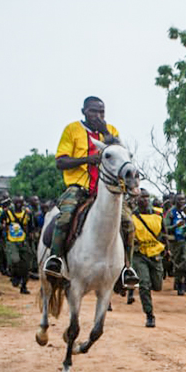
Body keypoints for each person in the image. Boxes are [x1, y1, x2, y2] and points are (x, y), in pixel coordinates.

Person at [44, 96, 138, 290]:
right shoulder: (72, 130)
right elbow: (60, 162)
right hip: (79, 187)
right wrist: (88, 160)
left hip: (107, 190)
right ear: (83, 111)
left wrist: (105, 132)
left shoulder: (111, 131)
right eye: (93, 111)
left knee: (128, 223)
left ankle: (126, 269)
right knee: (65, 217)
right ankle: (56, 259)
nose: (98, 115)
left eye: (102, 112)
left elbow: (121, 156)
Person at [131, 190, 166, 328]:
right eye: (142, 197)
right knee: (144, 284)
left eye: (147, 197)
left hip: (155, 254)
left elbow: (164, 231)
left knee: (157, 286)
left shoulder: (158, 213)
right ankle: (149, 315)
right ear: (136, 199)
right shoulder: (131, 215)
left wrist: (167, 249)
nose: (145, 200)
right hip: (139, 254)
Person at [164, 194, 186, 295]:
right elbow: (166, 227)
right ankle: (179, 283)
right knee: (178, 262)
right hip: (175, 242)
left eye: (183, 199)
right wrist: (176, 225)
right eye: (179, 199)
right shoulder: (171, 212)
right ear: (175, 201)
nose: (182, 201)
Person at [3, 198, 33, 294]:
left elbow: (32, 225)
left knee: (26, 266)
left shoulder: (27, 213)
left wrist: (32, 233)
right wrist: (2, 226)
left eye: (20, 202)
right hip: (11, 241)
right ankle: (14, 275)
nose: (19, 204)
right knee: (14, 260)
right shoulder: (7, 212)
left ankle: (23, 286)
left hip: (23, 241)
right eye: (17, 203)